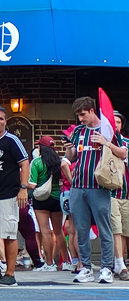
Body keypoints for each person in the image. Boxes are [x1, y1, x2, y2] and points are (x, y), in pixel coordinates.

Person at [66, 95, 127, 283]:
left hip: (99, 186)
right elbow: (72, 156)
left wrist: (106, 142)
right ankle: (85, 267)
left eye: (83, 114)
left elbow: (123, 152)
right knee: (81, 229)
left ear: (92, 111)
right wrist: (69, 148)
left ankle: (107, 268)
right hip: (78, 185)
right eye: (78, 115)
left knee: (104, 228)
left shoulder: (108, 129)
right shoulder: (78, 131)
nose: (80, 119)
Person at [0, 105, 29, 286]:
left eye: (1, 118)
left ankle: (10, 274)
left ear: (6, 122)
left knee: (9, 234)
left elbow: (25, 163)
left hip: (8, 194)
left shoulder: (11, 140)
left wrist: (23, 188)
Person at [28, 136, 69, 274]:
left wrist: (22, 184)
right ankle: (67, 262)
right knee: (58, 232)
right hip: (57, 199)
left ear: (40, 148)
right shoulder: (59, 162)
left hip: (41, 200)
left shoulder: (36, 163)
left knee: (45, 231)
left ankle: (49, 263)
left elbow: (32, 184)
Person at [110, 113, 129, 279]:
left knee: (124, 231)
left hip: (127, 193)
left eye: (118, 122)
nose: (115, 124)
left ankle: (119, 263)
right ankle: (120, 263)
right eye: (112, 122)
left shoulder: (126, 143)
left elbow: (124, 154)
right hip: (110, 192)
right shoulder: (102, 143)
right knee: (116, 229)